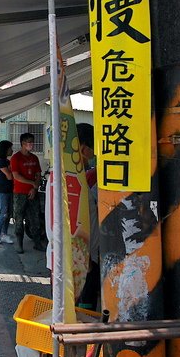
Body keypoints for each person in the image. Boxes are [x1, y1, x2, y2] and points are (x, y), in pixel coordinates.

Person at [76, 124, 101, 310]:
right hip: (87, 251)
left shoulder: (82, 176)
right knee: (87, 292)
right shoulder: (90, 178)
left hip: (82, 250)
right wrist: (88, 255)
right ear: (85, 148)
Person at [9, 132, 45, 253]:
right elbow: (16, 176)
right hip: (19, 193)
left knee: (35, 218)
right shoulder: (16, 158)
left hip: (32, 193)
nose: (31, 144)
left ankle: (37, 242)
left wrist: (35, 188)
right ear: (23, 144)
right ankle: (19, 243)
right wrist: (32, 183)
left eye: (32, 142)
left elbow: (38, 174)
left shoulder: (34, 158)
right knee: (18, 218)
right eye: (29, 142)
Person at [0, 140, 15, 245]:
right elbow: (10, 176)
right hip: (2, 191)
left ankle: (4, 234)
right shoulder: (0, 162)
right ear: (5, 149)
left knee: (8, 213)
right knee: (3, 213)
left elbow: (11, 174)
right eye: (10, 148)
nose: (12, 150)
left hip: (9, 190)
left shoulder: (7, 162)